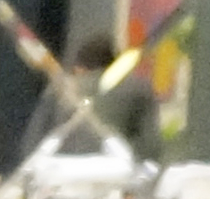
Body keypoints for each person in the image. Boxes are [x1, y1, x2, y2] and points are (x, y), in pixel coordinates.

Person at [17, 35, 163, 165]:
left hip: (66, 176)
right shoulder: (139, 90)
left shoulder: (58, 91)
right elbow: (150, 145)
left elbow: (32, 144)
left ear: (79, 68)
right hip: (116, 176)